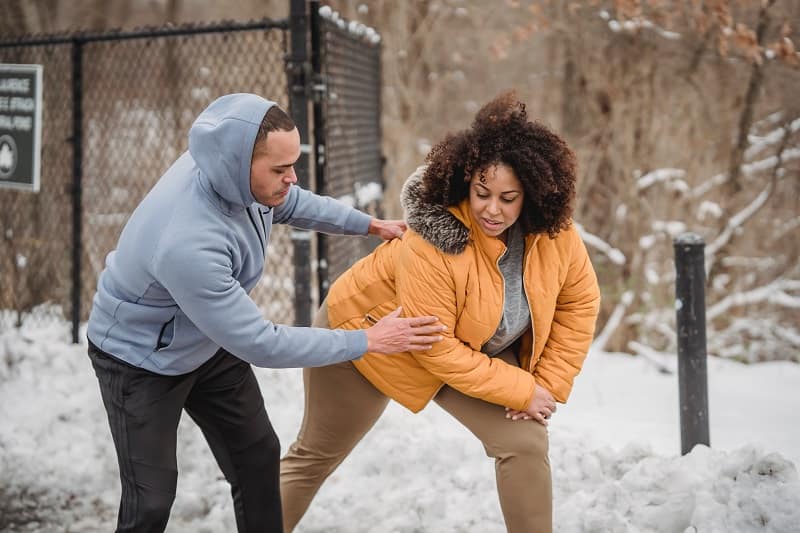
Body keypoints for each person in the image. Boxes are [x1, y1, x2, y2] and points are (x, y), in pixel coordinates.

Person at [86, 93, 444, 533]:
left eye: (293, 164)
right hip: (141, 358)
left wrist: (368, 224)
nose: (291, 177)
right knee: (151, 502)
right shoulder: (188, 242)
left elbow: (289, 201)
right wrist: (368, 340)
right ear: (240, 164)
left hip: (206, 338)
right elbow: (262, 343)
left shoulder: (238, 176)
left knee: (257, 456)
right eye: (280, 169)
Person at [280, 92, 601, 533]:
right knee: (315, 457)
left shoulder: (554, 233)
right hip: (368, 339)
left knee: (524, 441)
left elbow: (578, 302)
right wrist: (519, 388)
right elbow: (436, 347)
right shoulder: (433, 239)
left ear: (532, 194)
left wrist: (545, 384)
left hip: (468, 346)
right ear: (465, 183)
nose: (492, 209)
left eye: (508, 198)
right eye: (481, 194)